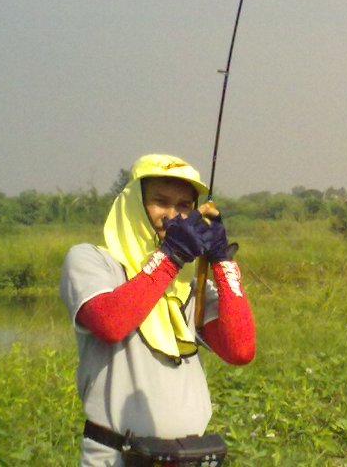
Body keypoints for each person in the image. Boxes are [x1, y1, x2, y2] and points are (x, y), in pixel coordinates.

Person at [60, 154, 256, 466]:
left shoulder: (189, 286)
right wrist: (172, 255)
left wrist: (221, 260)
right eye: (160, 201)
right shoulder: (93, 261)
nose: (172, 215)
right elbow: (110, 323)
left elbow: (240, 349)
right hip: (116, 457)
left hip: (192, 456)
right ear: (135, 204)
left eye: (183, 206)